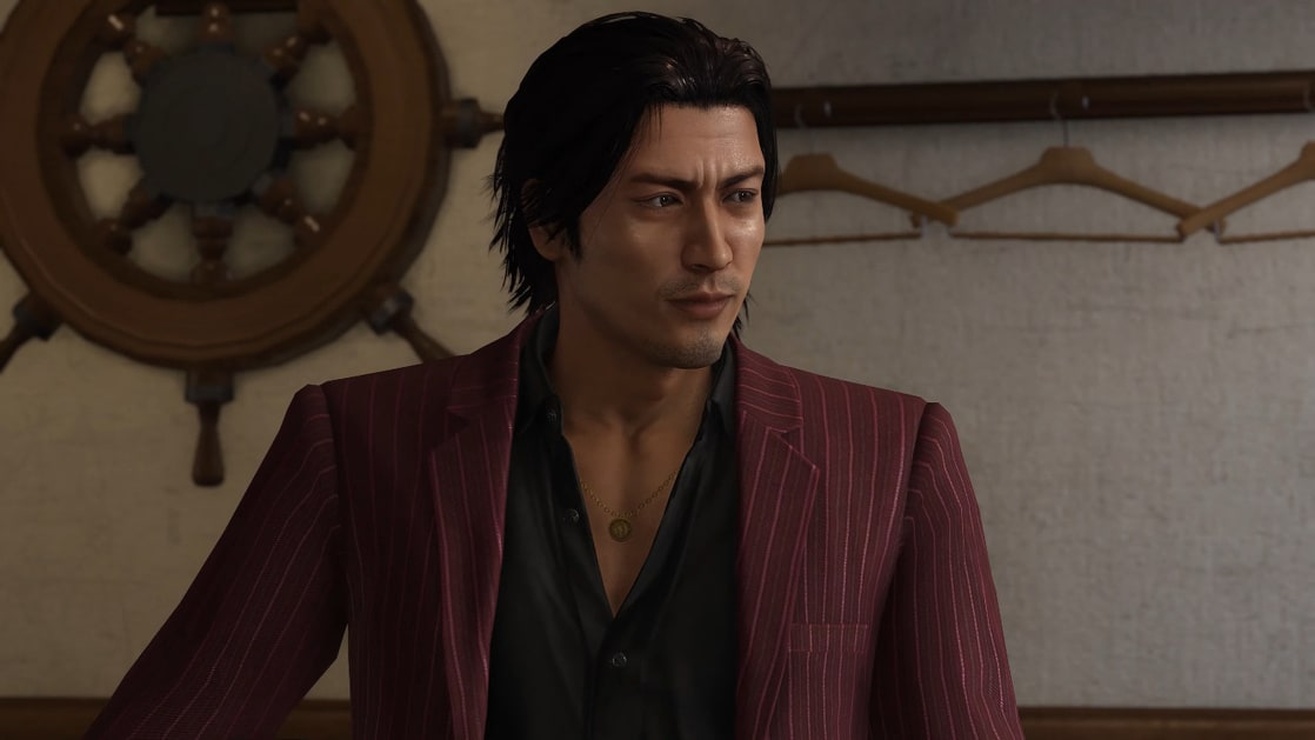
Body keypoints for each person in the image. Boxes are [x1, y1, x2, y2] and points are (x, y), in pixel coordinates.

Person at [87, 11, 1023, 739]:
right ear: (547, 221)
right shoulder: (362, 441)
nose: (714, 250)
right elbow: (180, 715)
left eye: (740, 198)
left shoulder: (891, 457)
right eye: (662, 200)